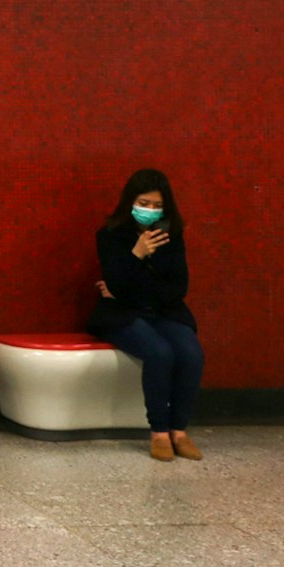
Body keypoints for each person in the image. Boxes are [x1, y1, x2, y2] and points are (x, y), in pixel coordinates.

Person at [91, 168, 203, 462]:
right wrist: (136, 254)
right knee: (159, 353)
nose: (149, 210)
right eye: (144, 203)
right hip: (121, 316)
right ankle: (160, 432)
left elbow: (178, 287)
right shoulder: (110, 235)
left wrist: (128, 290)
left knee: (191, 352)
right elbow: (115, 280)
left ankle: (180, 430)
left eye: (156, 205)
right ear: (131, 202)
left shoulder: (172, 236)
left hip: (165, 312)